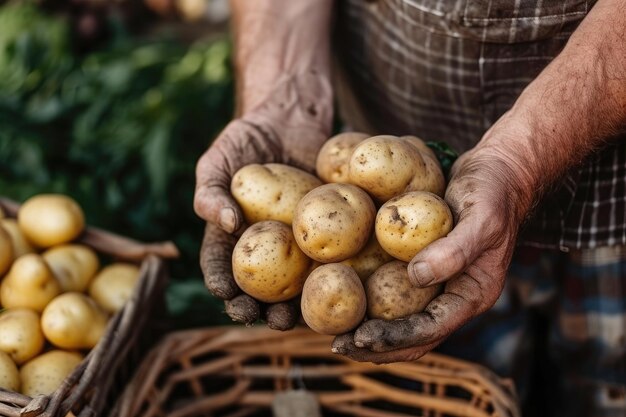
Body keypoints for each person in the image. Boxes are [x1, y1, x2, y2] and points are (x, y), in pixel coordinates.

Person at [193, 1, 626, 416]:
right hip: (406, 148)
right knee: (455, 390)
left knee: (603, 390)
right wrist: (283, 93)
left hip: (609, 193)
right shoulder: (367, 194)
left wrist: (516, 163)